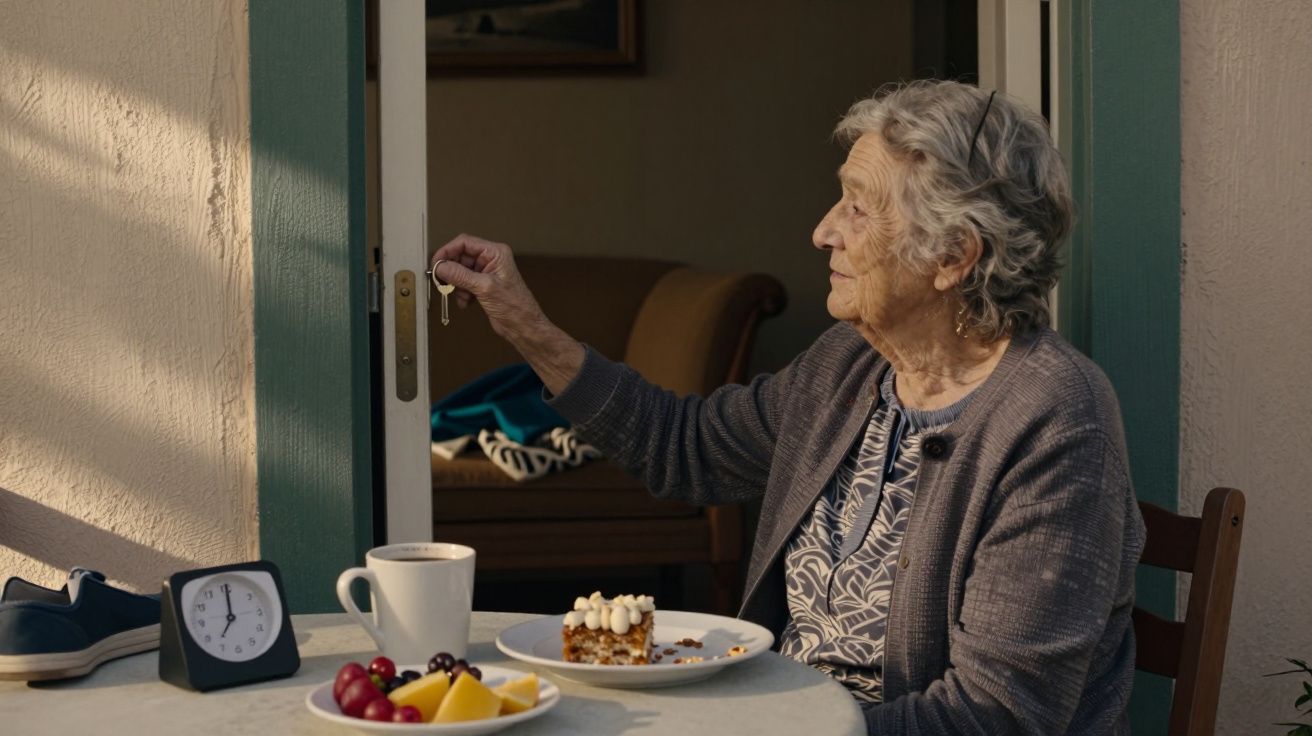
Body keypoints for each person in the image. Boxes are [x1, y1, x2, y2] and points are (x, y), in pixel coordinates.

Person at [428, 80, 1144, 735]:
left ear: (954, 255)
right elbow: (687, 449)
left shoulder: (1054, 420)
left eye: (858, 208)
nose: (824, 230)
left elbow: (997, 716)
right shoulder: (850, 364)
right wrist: (528, 327)